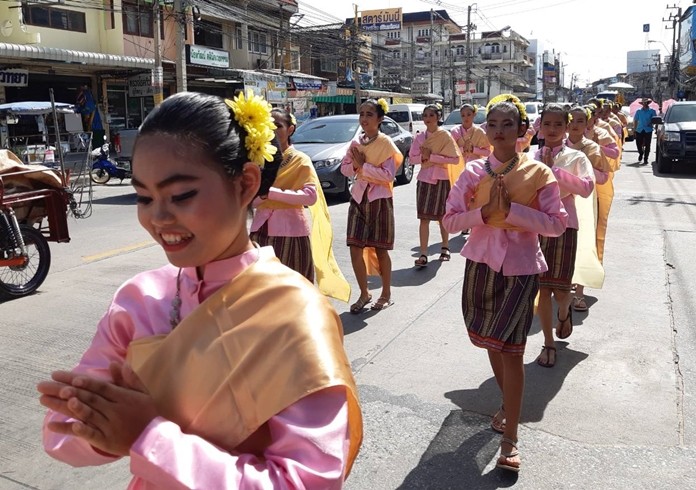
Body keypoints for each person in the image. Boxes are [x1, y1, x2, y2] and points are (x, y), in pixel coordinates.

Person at [37, 91, 363, 488]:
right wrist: (100, 425)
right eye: (143, 197)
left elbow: (309, 480)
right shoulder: (139, 299)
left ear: (245, 184)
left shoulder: (298, 316)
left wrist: (148, 436)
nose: (158, 218)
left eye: (181, 195)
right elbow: (60, 430)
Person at [442, 94, 567, 473]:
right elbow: (449, 221)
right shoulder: (473, 172)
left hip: (520, 268)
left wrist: (511, 212)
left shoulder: (537, 174)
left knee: (511, 350)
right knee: (490, 344)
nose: (498, 132)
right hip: (480, 265)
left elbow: (557, 223)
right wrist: (483, 213)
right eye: (492, 124)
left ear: (521, 130)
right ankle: (506, 403)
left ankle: (510, 436)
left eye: (507, 125)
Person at [250, 108, 350, 301]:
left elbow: (310, 196)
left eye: (278, 125)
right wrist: (261, 198)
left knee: (293, 290)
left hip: (290, 232)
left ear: (291, 129)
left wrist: (270, 192)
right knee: (263, 290)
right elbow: (248, 199)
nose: (272, 130)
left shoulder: (299, 160)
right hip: (261, 229)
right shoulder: (259, 160)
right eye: (268, 125)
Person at [534, 104, 595, 368]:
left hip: (565, 226)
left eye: (558, 124)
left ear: (567, 126)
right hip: (536, 227)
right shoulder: (531, 155)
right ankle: (548, 342)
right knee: (542, 287)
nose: (552, 129)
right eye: (547, 124)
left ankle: (564, 311)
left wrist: (554, 171)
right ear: (540, 126)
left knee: (560, 289)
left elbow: (586, 188)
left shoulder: (576, 157)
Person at [341, 98, 403, 313]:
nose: (364, 118)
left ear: (380, 119)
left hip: (380, 201)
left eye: (369, 114)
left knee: (380, 248)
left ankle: (386, 293)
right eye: (362, 114)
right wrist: (357, 166)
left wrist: (362, 166)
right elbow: (345, 169)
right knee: (355, 247)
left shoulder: (385, 143)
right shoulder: (356, 143)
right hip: (358, 198)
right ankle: (364, 293)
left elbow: (388, 175)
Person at [566, 106, 611, 313]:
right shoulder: (557, 147)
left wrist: (583, 168)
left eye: (580, 121)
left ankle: (579, 294)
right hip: (561, 202)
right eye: (571, 121)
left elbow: (603, 177)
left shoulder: (592, 149)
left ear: (587, 124)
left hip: (584, 201)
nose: (575, 125)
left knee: (583, 243)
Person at [410, 103, 463, 267]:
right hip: (424, 180)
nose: (427, 119)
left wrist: (432, 157)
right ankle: (423, 254)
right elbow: (412, 158)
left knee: (442, 216)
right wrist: (424, 158)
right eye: (425, 116)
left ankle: (445, 247)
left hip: (441, 180)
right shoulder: (419, 137)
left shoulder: (445, 137)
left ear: (438, 118)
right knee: (424, 218)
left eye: (431, 115)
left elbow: (455, 159)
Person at [634, 98, 657, 164]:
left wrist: (651, 123)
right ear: (642, 104)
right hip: (639, 129)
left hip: (648, 129)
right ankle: (641, 153)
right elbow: (635, 120)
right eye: (643, 103)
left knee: (647, 144)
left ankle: (646, 158)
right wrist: (634, 129)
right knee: (638, 143)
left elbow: (654, 119)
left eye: (646, 103)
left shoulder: (652, 111)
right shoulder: (638, 111)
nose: (644, 104)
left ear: (648, 103)